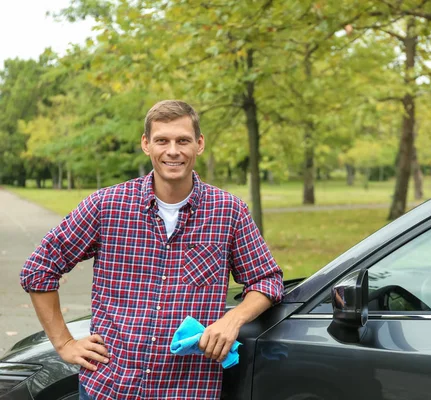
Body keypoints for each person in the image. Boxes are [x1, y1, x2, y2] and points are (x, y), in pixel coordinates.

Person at [20, 100, 284, 400]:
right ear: (146, 144)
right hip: (110, 387)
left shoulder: (228, 212)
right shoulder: (107, 206)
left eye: (183, 140)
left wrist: (231, 319)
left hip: (188, 390)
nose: (173, 151)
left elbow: (267, 280)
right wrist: (65, 343)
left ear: (199, 144)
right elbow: (39, 269)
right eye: (162, 140)